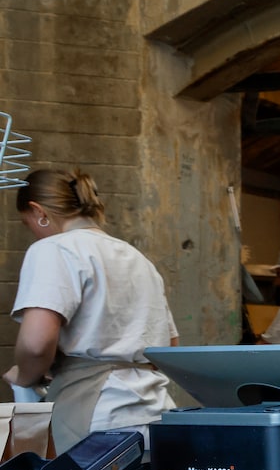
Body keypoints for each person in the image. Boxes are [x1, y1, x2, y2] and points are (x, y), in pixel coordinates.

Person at [4, 168, 179, 453]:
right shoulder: (138, 259)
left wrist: (24, 377)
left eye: (28, 224)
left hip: (96, 418)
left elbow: (36, 345)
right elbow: (169, 348)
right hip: (155, 415)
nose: (33, 233)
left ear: (39, 212)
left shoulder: (53, 248)